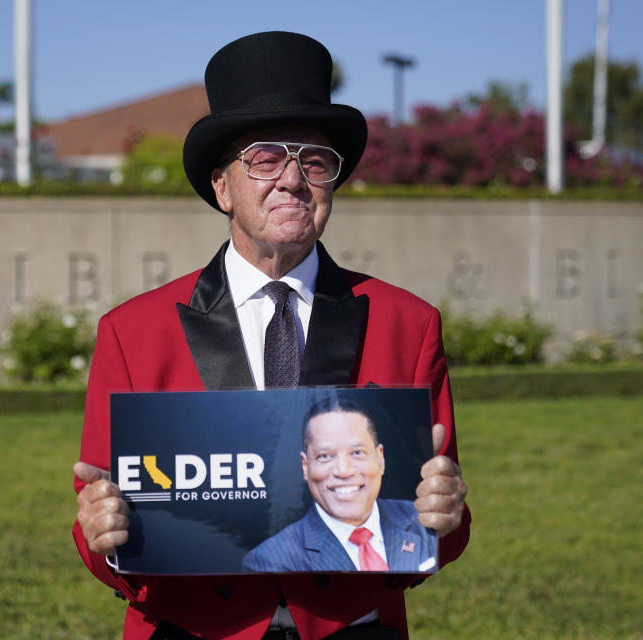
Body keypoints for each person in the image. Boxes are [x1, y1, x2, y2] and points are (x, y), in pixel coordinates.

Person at [73, 31, 469, 640]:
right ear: (223, 187)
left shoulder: (407, 324)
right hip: (192, 628)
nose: (292, 179)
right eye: (264, 157)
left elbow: (439, 521)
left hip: (352, 628)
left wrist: (446, 518)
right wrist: (100, 536)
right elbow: (103, 529)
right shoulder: (132, 332)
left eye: (314, 160)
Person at [242, 398, 437, 574]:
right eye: (325, 456)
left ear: (380, 458)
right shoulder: (270, 560)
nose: (344, 471)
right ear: (305, 466)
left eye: (357, 452)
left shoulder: (423, 522)